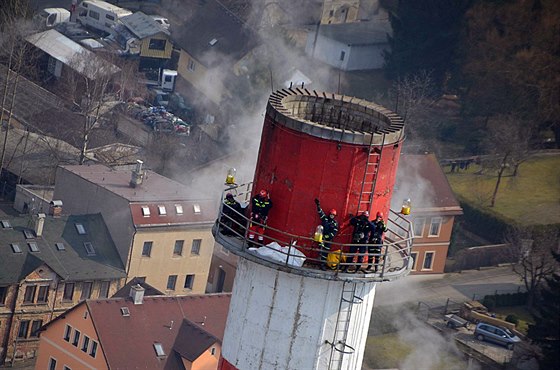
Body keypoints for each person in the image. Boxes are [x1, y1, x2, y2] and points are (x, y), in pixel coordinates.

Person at [315, 198, 339, 270]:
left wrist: (327, 236)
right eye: (331, 214)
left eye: (333, 215)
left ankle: (323, 264)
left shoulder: (335, 223)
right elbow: (320, 213)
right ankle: (319, 263)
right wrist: (318, 206)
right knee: (320, 250)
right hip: (321, 238)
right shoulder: (325, 219)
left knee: (325, 253)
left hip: (328, 240)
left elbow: (334, 232)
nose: (332, 215)